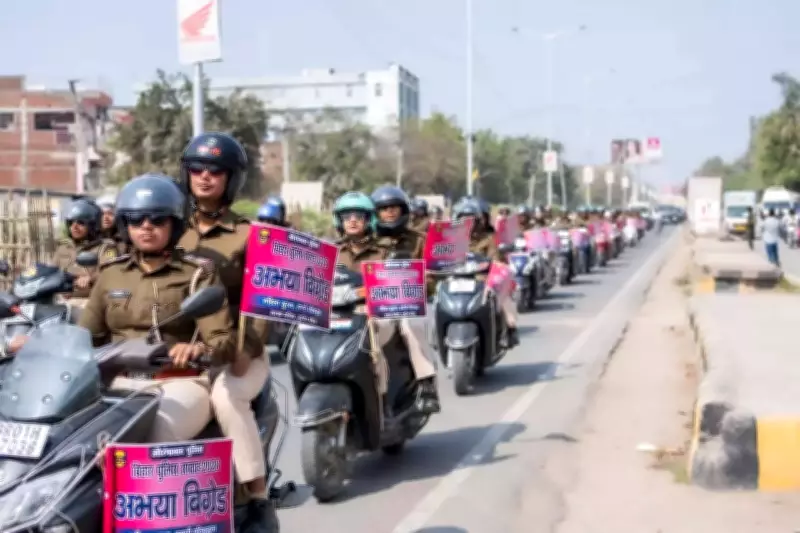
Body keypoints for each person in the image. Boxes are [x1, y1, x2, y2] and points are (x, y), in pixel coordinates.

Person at [175, 132, 276, 532]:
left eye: (216, 171)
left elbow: (262, 300)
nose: (204, 177)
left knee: (227, 395)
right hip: (176, 348)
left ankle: (256, 495)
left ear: (231, 179)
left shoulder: (251, 235)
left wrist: (245, 348)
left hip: (234, 347)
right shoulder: (169, 225)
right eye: (197, 169)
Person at [371, 185, 440, 414]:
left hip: (409, 304)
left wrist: (424, 280)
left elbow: (433, 277)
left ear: (403, 211)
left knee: (413, 326)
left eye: (394, 208)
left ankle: (426, 383)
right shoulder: (369, 242)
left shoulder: (419, 241)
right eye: (383, 209)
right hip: (377, 307)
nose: (389, 212)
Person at [332, 192, 392, 403]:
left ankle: (382, 399)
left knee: (373, 337)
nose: (353, 220)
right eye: (347, 215)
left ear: (369, 219)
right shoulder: (331, 252)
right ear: (339, 220)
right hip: (338, 314)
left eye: (359, 215)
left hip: (372, 313)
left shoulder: (384, 251)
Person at [453, 198, 519, 347]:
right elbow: (439, 260)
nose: (467, 223)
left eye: (471, 219)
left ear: (479, 220)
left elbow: (495, 259)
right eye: (463, 219)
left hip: (482, 280)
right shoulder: (450, 239)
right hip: (455, 280)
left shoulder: (489, 238)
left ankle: (507, 330)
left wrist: (490, 269)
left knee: (500, 298)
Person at [53, 198, 119, 302]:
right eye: (71, 222)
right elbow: (52, 271)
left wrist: (90, 278)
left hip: (89, 301)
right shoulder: (63, 248)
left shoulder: (104, 247)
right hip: (62, 300)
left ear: (92, 225)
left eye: (81, 222)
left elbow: (111, 272)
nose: (75, 226)